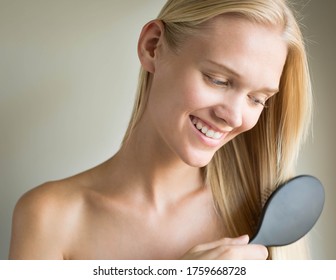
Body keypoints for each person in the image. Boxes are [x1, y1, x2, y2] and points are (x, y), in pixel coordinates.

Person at [9, 0, 312, 260]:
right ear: (152, 47)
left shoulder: (264, 217)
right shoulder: (50, 217)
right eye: (218, 79)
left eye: (256, 99)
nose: (233, 117)